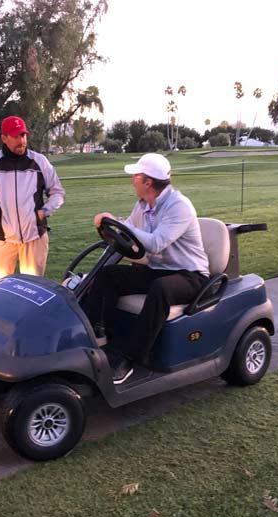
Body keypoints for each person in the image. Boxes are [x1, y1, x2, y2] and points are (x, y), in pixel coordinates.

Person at [82, 153, 209, 384]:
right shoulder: (143, 205)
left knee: (160, 289)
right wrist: (109, 225)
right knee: (108, 275)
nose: (133, 180)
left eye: (136, 176)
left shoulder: (179, 206)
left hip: (190, 274)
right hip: (160, 268)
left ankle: (130, 357)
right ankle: (97, 333)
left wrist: (119, 224)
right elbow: (129, 229)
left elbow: (155, 242)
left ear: (147, 182)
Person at [0, 116, 65, 286]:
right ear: (4, 138)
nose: (21, 140)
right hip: (4, 237)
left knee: (33, 289)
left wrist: (43, 213)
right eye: (16, 136)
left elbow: (57, 192)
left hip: (34, 236)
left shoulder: (39, 162)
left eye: (23, 135)